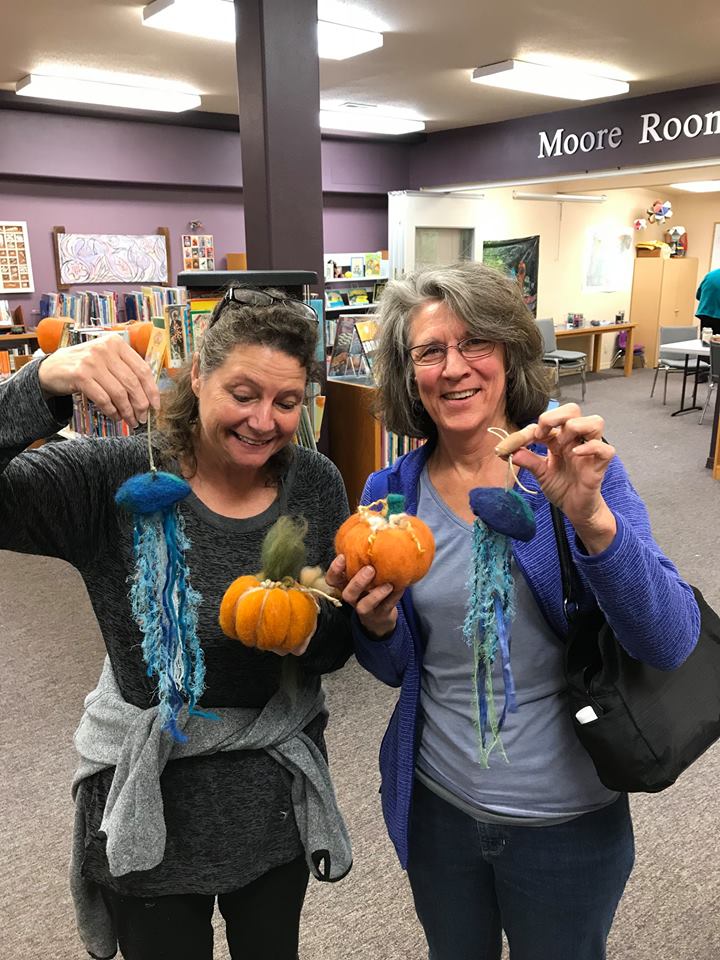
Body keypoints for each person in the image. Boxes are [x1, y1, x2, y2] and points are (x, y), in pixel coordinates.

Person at [325, 261, 700, 960]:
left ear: (510, 353)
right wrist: (375, 624)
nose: (454, 367)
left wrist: (591, 519)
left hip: (565, 821)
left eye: (476, 343)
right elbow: (397, 666)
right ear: (410, 375)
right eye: (430, 351)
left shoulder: (571, 468)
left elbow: (668, 639)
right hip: (439, 809)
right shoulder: (389, 492)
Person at [0, 287, 354, 960]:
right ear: (197, 376)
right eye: (243, 393)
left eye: (287, 401)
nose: (264, 421)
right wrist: (42, 381)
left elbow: (332, 649)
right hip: (148, 805)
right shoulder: (114, 478)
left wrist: (317, 631)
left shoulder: (314, 482)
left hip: (270, 800)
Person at [695, 266, 720, 335]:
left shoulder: (710, 275)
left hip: (705, 315)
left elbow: (698, 296)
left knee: (706, 341)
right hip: (718, 316)